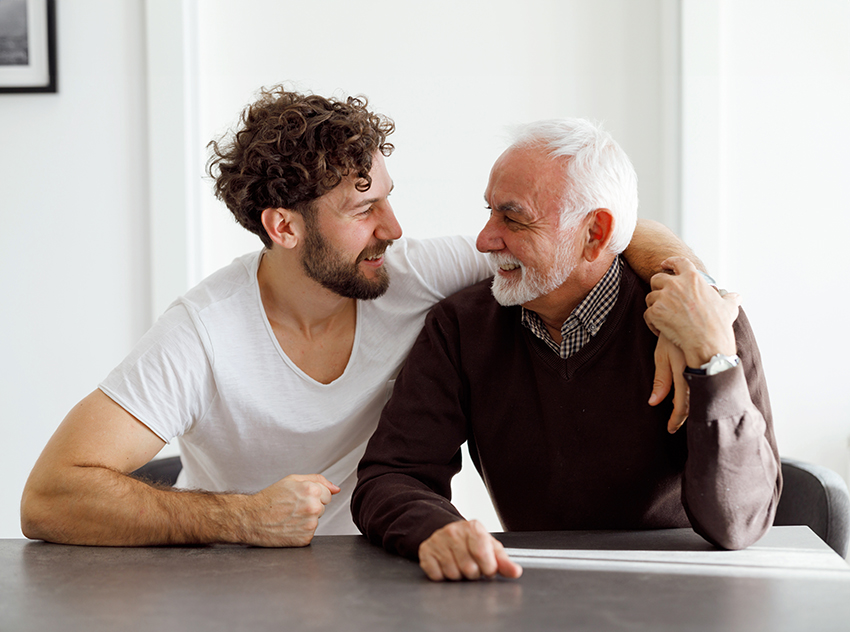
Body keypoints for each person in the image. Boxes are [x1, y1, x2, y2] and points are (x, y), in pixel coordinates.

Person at [21, 88, 703, 547]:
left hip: (377, 578)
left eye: (386, 197)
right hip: (226, 582)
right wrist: (242, 517)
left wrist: (690, 295)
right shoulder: (202, 333)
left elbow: (584, 235)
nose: (393, 227)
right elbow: (50, 495)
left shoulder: (408, 274)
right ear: (283, 227)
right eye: (361, 210)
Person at [352, 118, 781, 581]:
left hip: (679, 594)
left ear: (595, 234)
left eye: (513, 218)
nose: (484, 239)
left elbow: (738, 525)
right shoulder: (461, 327)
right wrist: (436, 530)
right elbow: (391, 475)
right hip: (534, 588)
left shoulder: (704, 323)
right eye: (489, 211)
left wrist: (713, 364)